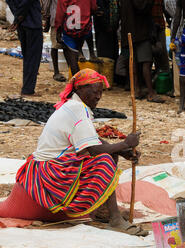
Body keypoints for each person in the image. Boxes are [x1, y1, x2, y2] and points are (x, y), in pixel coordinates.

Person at [13, 69, 147, 236]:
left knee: (110, 154)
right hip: (49, 173)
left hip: (49, 166)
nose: (98, 96)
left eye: (101, 92)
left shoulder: (74, 106)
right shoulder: (77, 109)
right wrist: (125, 143)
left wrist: (122, 150)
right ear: (81, 90)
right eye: (95, 92)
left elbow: (94, 141)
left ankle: (101, 208)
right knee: (104, 161)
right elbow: (94, 149)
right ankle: (115, 220)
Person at [120, 0, 165, 103]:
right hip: (140, 31)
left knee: (134, 61)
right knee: (146, 62)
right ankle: (150, 93)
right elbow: (142, 6)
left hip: (129, 30)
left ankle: (137, 90)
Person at [6, 0, 43, 96]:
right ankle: (28, 89)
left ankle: (27, 87)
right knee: (33, 58)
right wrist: (18, 16)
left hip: (21, 23)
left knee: (28, 57)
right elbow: (26, 2)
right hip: (32, 23)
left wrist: (17, 18)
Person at [54, 0, 98, 75]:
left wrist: (58, 29)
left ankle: (76, 79)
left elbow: (60, 13)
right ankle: (91, 53)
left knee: (72, 58)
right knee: (88, 32)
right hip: (85, 26)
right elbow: (93, 7)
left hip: (70, 29)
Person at [42, 0, 66, 83]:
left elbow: (46, 5)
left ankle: (58, 72)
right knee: (57, 45)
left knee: (58, 45)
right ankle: (56, 72)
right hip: (61, 20)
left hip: (61, 19)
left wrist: (46, 18)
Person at [152, 0, 171, 76]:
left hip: (160, 26)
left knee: (162, 51)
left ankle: (166, 74)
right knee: (154, 52)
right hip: (150, 28)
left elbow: (164, 9)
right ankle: (158, 73)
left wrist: (169, 21)